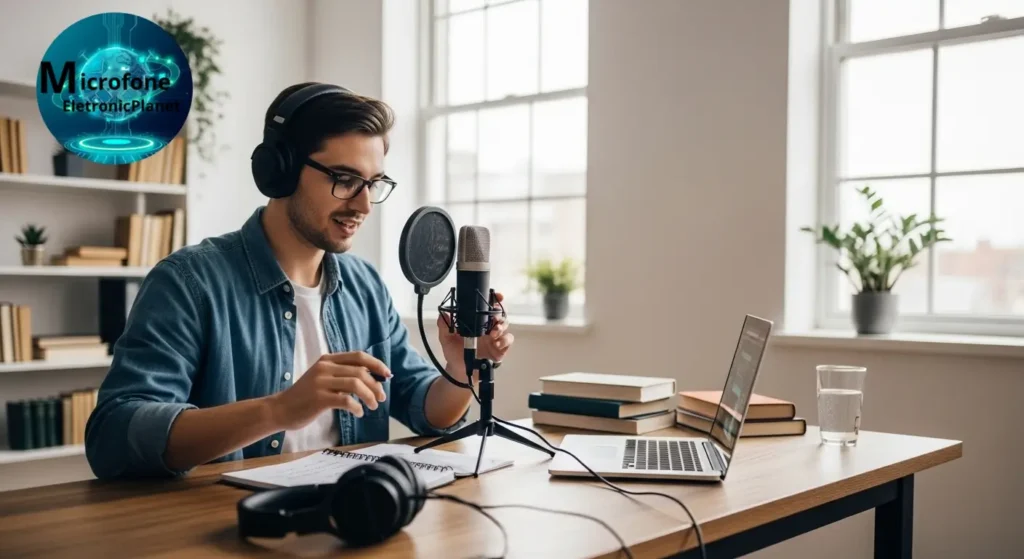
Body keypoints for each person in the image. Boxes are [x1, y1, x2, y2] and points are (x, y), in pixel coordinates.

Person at [84, 82, 514, 480]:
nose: (364, 204)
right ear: (280, 170)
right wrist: (279, 410)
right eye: (345, 180)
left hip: (354, 521)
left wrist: (460, 372)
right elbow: (114, 437)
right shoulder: (189, 283)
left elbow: (426, 409)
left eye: (374, 183)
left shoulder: (365, 286)